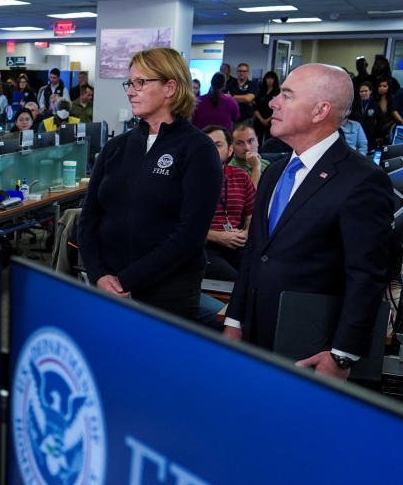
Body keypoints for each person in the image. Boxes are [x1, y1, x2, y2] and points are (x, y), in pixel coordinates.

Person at [224, 64, 393, 380]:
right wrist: (234, 320)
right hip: (255, 335)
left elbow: (366, 276)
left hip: (310, 344)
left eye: (286, 95)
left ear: (320, 111)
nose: (273, 102)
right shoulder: (275, 171)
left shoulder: (362, 180)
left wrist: (341, 354)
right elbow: (256, 253)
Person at [77, 47, 222, 321]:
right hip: (108, 286)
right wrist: (99, 274)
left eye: (140, 82)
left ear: (170, 87)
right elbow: (89, 218)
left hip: (167, 292)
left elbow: (190, 234)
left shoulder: (198, 148)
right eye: (129, 83)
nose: (130, 91)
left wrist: (126, 280)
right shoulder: (115, 147)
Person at [200, 125, 255, 282]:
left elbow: (252, 214)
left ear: (230, 150)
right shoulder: (188, 178)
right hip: (205, 246)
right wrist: (217, 236)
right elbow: (176, 224)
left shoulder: (240, 176)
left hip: (238, 243)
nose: (211, 150)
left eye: (217, 145)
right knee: (237, 281)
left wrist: (246, 232)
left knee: (262, 275)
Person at [229, 122, 268, 188]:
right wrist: (256, 168)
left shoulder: (267, 163)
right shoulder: (230, 172)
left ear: (258, 141)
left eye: (250, 141)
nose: (247, 147)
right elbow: (251, 197)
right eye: (239, 143)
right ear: (232, 147)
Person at [353, 82, 384, 148]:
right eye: (361, 91)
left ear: (370, 91)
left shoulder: (375, 105)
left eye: (366, 91)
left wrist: (376, 132)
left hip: (370, 136)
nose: (364, 93)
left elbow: (381, 120)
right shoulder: (354, 105)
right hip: (356, 135)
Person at [253, 70, 280, 141]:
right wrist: (262, 120)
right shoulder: (260, 91)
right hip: (259, 120)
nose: (269, 80)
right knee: (257, 140)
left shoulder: (278, 92)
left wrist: (268, 120)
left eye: (272, 78)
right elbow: (255, 107)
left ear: (275, 80)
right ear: (265, 79)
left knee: (269, 141)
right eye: (268, 78)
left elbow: (278, 108)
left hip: (272, 120)